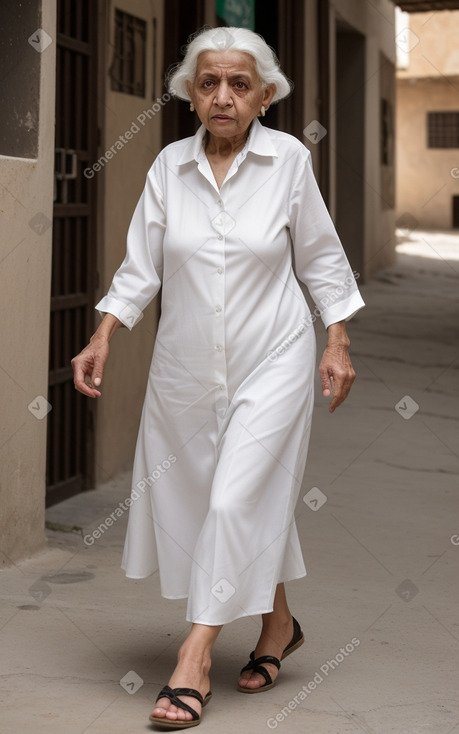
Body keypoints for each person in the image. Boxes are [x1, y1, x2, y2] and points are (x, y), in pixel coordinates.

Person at [72, 25, 365, 729]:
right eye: (209, 83)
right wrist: (103, 333)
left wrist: (337, 339)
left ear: (265, 94)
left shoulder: (288, 160)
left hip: (274, 359)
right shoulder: (169, 167)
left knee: (235, 504)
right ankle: (277, 628)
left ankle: (194, 658)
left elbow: (320, 259)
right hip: (185, 369)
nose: (223, 97)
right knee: (220, 505)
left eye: (239, 84)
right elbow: (141, 267)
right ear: (189, 95)